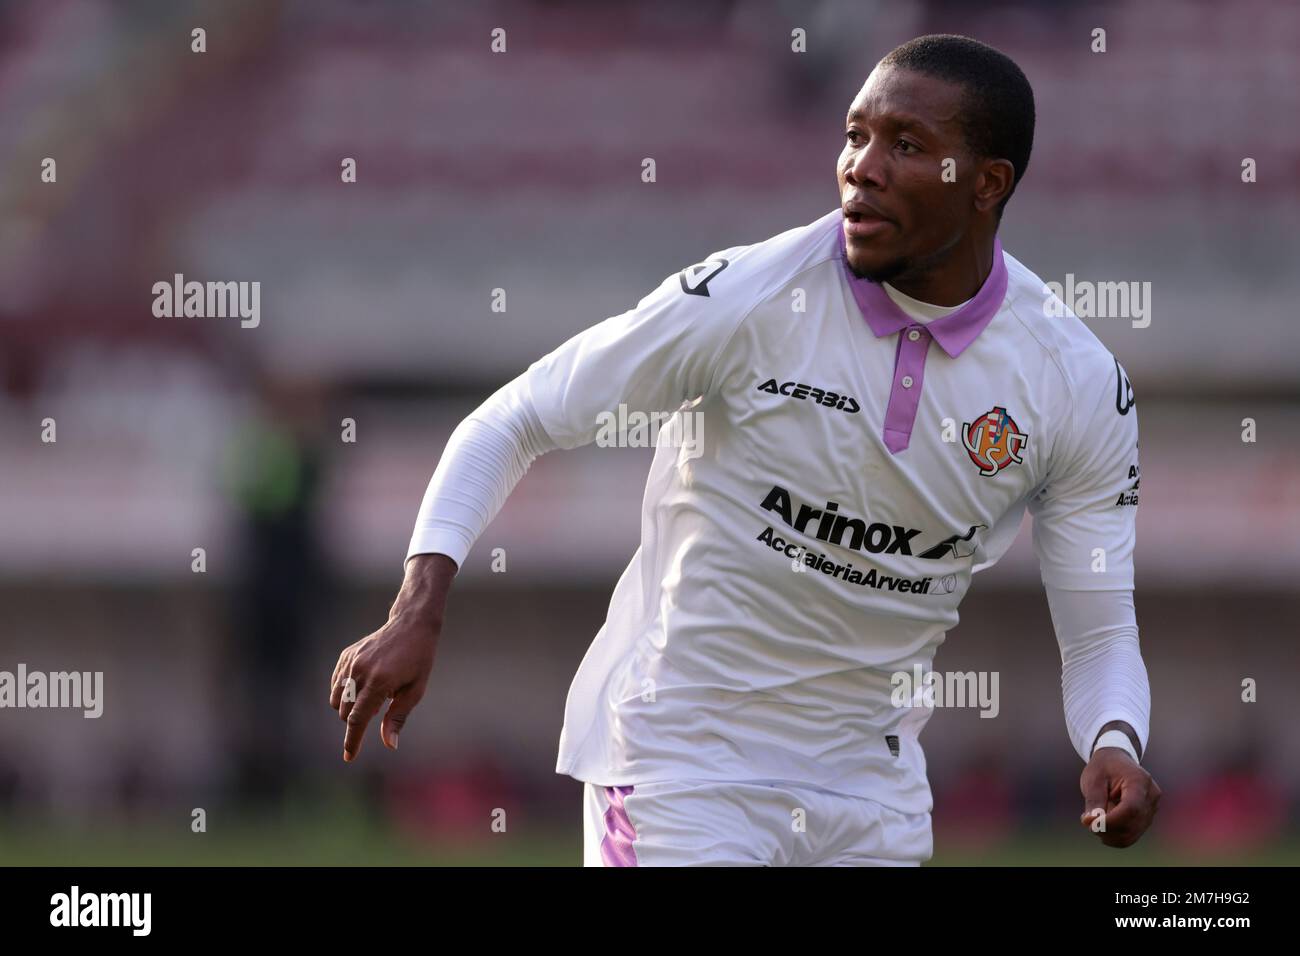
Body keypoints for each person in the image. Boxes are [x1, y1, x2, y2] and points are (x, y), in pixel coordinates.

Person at [329, 34, 1160, 866]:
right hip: (679, 767)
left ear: (988, 183)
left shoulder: (1074, 383)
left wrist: (1114, 738)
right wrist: (418, 606)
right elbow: (513, 420)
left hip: (871, 794)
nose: (860, 167)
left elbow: (1097, 629)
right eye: (854, 135)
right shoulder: (749, 299)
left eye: (905, 145)